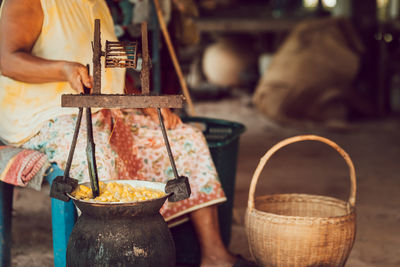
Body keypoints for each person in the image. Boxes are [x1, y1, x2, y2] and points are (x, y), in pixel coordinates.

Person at [0, 0, 254, 266]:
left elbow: (110, 77)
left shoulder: (97, 5)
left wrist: (140, 101)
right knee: (98, 155)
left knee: (184, 138)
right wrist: (64, 69)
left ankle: (214, 255)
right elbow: (8, 60)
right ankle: (110, 256)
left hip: (101, 111)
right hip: (43, 117)